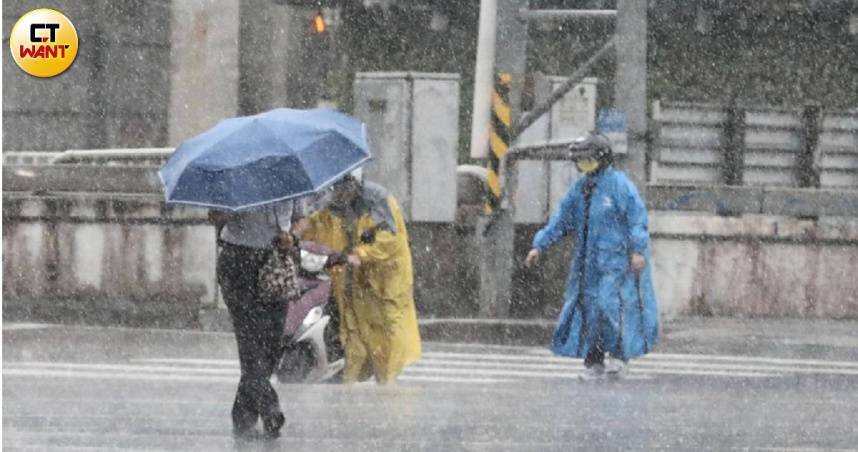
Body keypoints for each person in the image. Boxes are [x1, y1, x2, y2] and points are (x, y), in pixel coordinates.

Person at [524, 133, 659, 379]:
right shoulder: (581, 189)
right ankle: (594, 360)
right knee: (590, 312)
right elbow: (562, 219)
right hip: (587, 264)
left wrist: (637, 251)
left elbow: (636, 220)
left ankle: (619, 356)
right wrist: (540, 245)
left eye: (587, 160)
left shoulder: (619, 185)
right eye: (580, 161)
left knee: (612, 307)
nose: (582, 166)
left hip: (616, 262)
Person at [296, 172, 422, 384]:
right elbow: (315, 231)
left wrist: (363, 254)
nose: (337, 193)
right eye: (334, 188)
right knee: (353, 328)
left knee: (388, 329)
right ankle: (350, 380)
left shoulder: (378, 199)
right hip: (354, 278)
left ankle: (387, 380)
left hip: (386, 279)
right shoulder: (331, 205)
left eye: (341, 187)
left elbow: (390, 240)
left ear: (353, 183)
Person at [209, 199, 305, 438]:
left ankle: (243, 416)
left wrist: (292, 237)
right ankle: (268, 405)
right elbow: (214, 217)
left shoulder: (289, 174)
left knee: (271, 344)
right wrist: (230, 210)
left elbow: (302, 218)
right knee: (250, 341)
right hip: (238, 261)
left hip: (276, 261)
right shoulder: (236, 178)